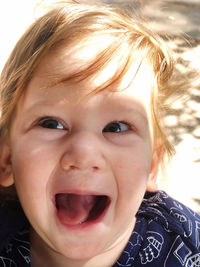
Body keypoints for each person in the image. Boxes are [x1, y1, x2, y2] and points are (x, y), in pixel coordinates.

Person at [0, 1, 199, 266]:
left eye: (116, 127)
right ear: (6, 159)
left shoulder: (186, 247)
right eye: (51, 123)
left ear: (151, 165)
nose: (84, 153)